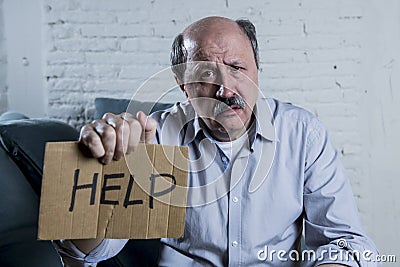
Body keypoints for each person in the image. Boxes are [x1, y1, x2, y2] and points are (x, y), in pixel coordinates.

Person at [54, 16, 379, 266]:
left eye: (237, 68)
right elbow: (85, 255)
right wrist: (107, 165)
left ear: (257, 70)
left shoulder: (303, 134)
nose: (226, 91)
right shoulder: (155, 138)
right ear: (182, 85)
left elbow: (347, 241)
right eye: (206, 75)